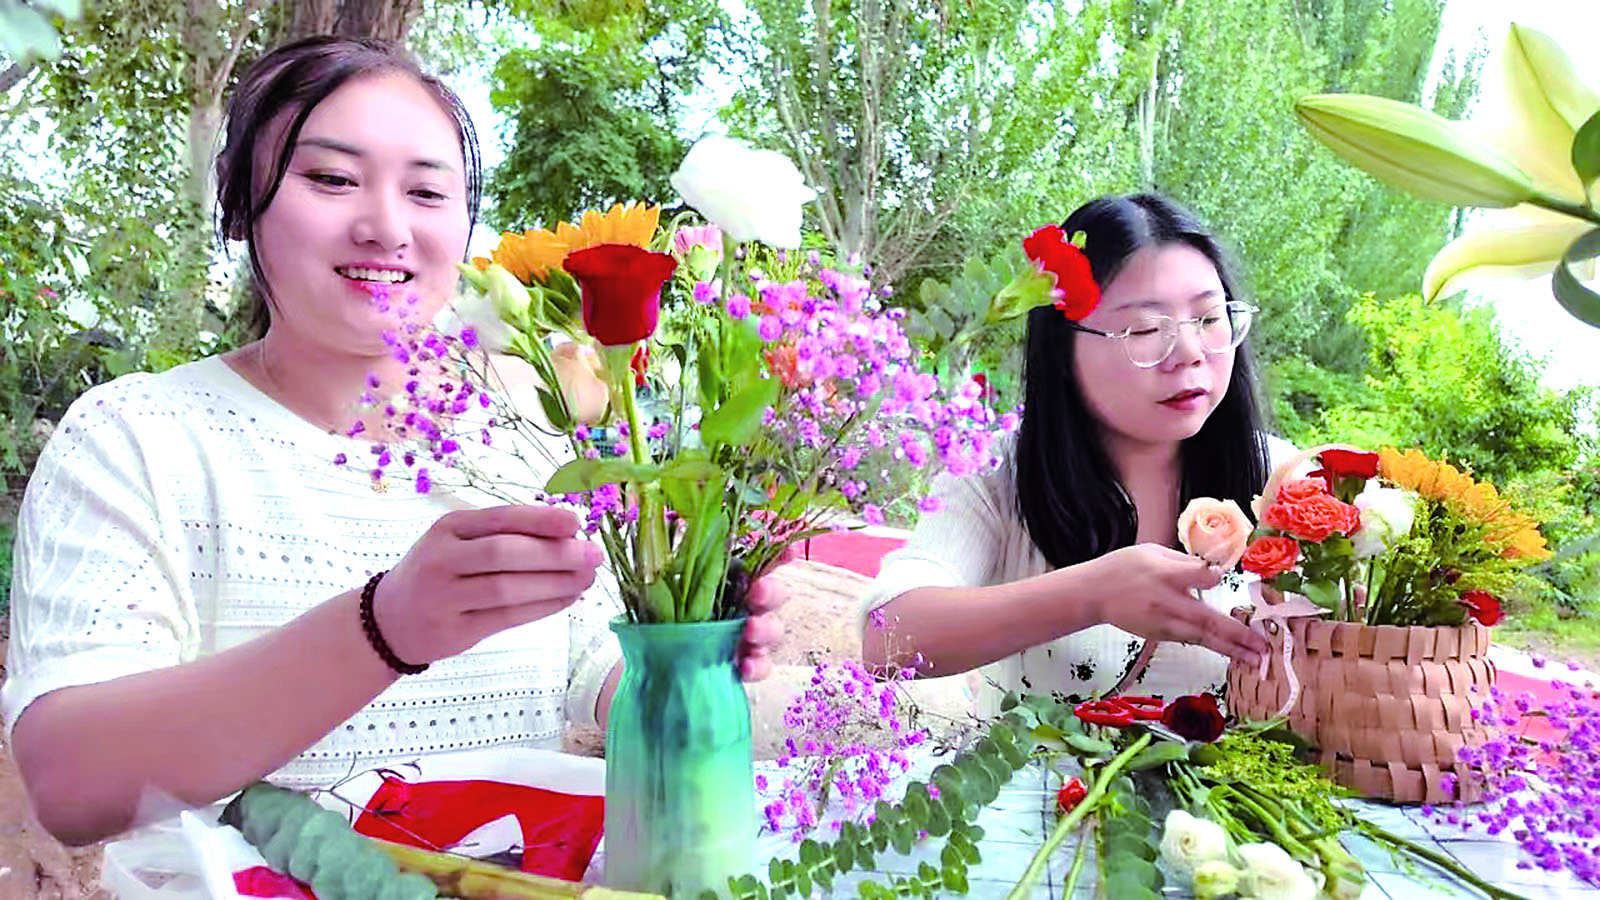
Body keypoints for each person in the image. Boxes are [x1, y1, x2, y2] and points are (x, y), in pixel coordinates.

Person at [2, 36, 781, 846]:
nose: (385, 227)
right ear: (240, 203)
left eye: (426, 191)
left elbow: (592, 669)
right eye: (332, 179)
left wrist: (684, 646)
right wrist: (383, 628)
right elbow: (72, 784)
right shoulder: (137, 437)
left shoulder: (520, 438)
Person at [862, 193, 1287, 709]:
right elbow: (886, 639)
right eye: (1145, 329)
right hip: (1032, 765)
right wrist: (1092, 595)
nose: (1190, 354)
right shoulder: (997, 477)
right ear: (1064, 348)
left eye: (1209, 319)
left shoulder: (1284, 480)